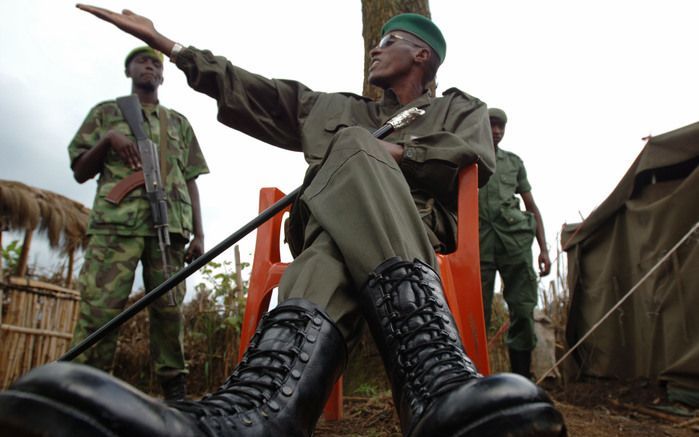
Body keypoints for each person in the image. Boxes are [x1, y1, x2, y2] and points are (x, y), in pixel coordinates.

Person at [0, 7, 565, 437]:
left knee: (337, 212)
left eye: (390, 40)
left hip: (415, 227)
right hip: (331, 227)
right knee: (339, 186)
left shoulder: (458, 108)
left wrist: (385, 154)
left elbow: (471, 160)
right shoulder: (331, 108)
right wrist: (166, 44)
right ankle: (435, 383)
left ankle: (257, 409)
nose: (376, 46)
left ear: (423, 56)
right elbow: (250, 89)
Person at [66, 46, 209, 401]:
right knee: (99, 309)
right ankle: (83, 390)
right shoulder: (105, 113)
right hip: (117, 228)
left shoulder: (178, 123)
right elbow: (80, 171)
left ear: (162, 76)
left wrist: (200, 234)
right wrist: (109, 140)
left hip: (170, 230)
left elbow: (190, 178)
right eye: (142, 61)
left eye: (156, 63)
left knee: (169, 313)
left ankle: (175, 394)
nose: (149, 66)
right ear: (129, 70)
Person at [479, 108, 551, 378]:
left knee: (522, 309)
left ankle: (523, 379)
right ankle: (472, 380)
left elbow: (531, 206)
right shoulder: (466, 157)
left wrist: (544, 250)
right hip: (478, 247)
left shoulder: (513, 162)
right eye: (492, 125)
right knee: (476, 315)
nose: (497, 131)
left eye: (501, 127)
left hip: (515, 243)